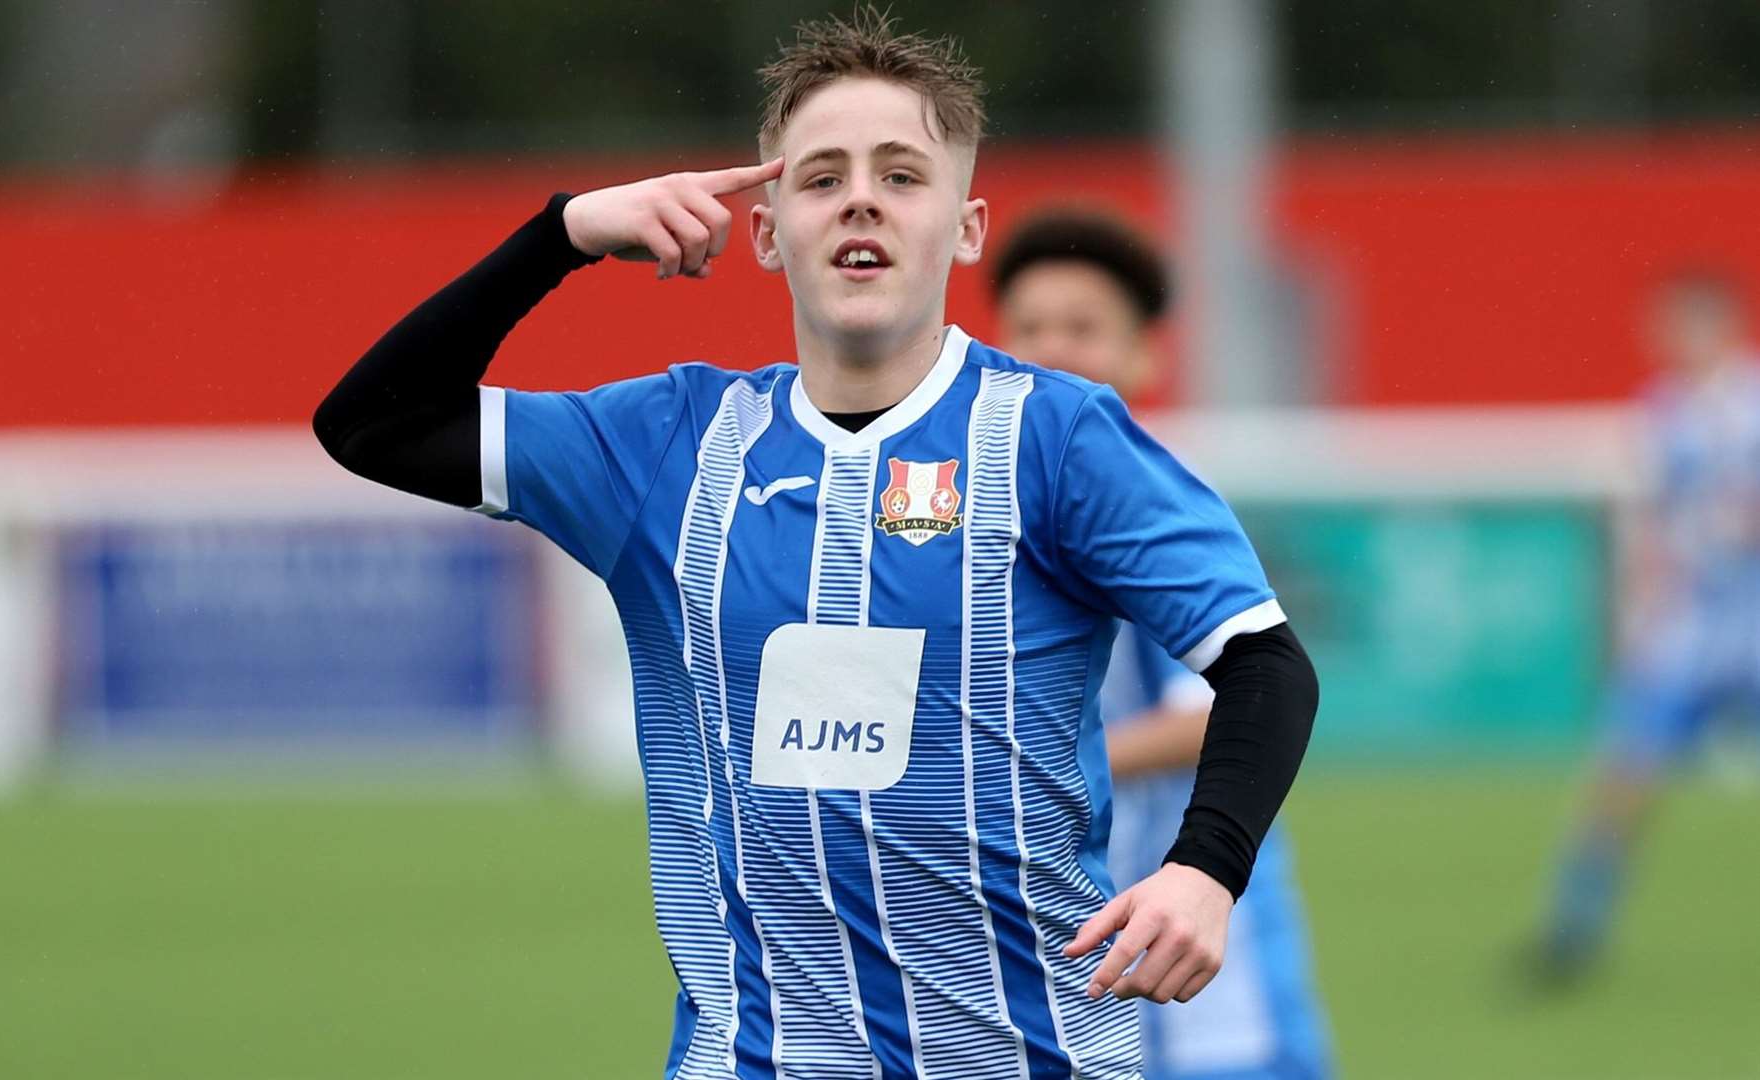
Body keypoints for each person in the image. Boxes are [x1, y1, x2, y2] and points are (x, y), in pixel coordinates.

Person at [314, 10, 1317, 1077]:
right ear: (764, 227)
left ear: (966, 228)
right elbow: (373, 423)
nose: (861, 201)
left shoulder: (1058, 438)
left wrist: (1205, 868)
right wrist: (560, 235)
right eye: (822, 175)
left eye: (901, 174)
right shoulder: (667, 445)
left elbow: (1262, 663)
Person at [994, 209, 1333, 1080]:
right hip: (1063, 937)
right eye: (1028, 328)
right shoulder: (975, 522)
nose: (1051, 350)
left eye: (1083, 328)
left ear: (1146, 356)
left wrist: (1020, 762)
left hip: (1195, 941)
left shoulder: (1154, 520)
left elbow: (1216, 707)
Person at [1533, 271, 1760, 984]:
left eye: (1683, 324)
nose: (1668, 339)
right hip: (1689, 630)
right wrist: (1643, 612)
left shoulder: (1752, 404)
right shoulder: (1664, 412)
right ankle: (1572, 932)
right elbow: (1660, 523)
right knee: (1623, 775)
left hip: (1752, 623)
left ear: (1720, 324)